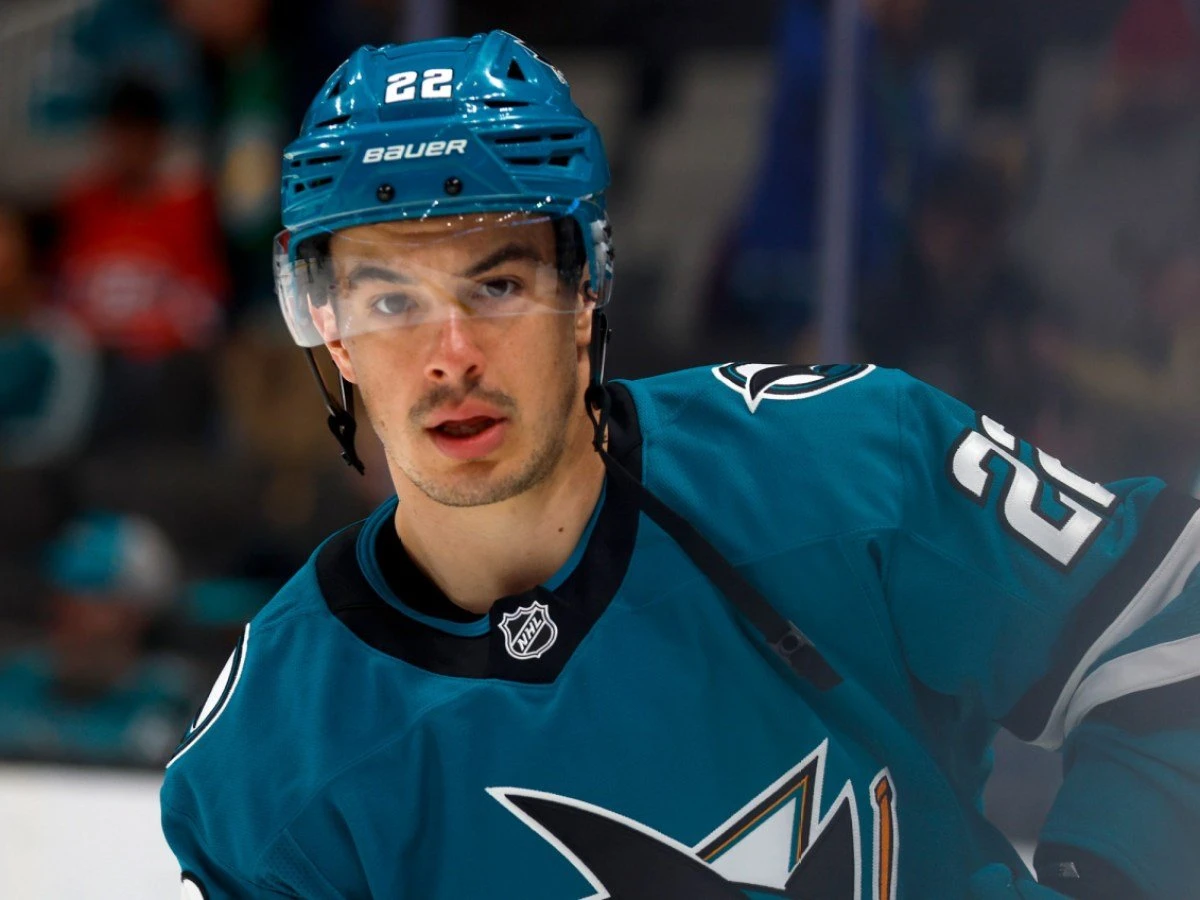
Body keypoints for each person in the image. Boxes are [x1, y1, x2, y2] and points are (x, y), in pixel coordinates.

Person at [160, 32, 1200, 899]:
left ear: (585, 290)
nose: (452, 355)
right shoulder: (272, 759)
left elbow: (1168, 620)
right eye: (391, 300)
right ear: (333, 334)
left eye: (498, 285)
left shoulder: (834, 461)